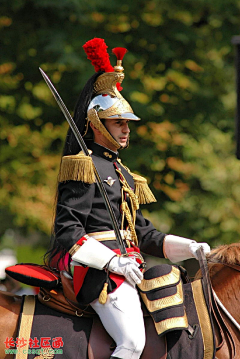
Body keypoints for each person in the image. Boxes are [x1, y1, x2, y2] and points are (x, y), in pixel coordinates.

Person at [46, 38, 210, 359]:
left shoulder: (124, 173)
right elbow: (68, 232)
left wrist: (189, 246)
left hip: (131, 267)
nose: (126, 130)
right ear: (96, 123)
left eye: (127, 124)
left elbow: (143, 234)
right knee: (132, 343)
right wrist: (113, 261)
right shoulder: (83, 165)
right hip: (98, 274)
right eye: (118, 123)